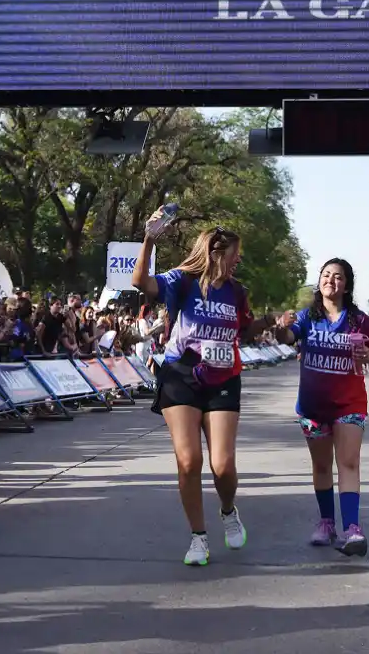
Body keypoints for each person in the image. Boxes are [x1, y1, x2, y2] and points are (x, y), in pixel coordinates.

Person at [131, 217, 258, 567]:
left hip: (223, 378)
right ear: (216, 253)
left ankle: (228, 510)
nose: (238, 261)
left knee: (222, 465)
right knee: (189, 462)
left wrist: (277, 327)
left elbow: (245, 329)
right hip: (180, 375)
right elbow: (139, 281)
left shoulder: (237, 292)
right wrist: (149, 240)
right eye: (235, 254)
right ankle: (198, 538)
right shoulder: (182, 281)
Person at [274, 258, 369, 556]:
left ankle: (352, 529)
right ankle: (326, 522)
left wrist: (368, 354)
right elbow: (288, 337)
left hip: (349, 404)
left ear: (346, 285)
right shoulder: (307, 317)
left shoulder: (359, 320)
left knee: (349, 462)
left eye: (338, 277)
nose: (331, 281)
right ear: (319, 282)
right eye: (326, 275)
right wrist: (281, 329)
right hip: (313, 406)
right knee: (321, 465)